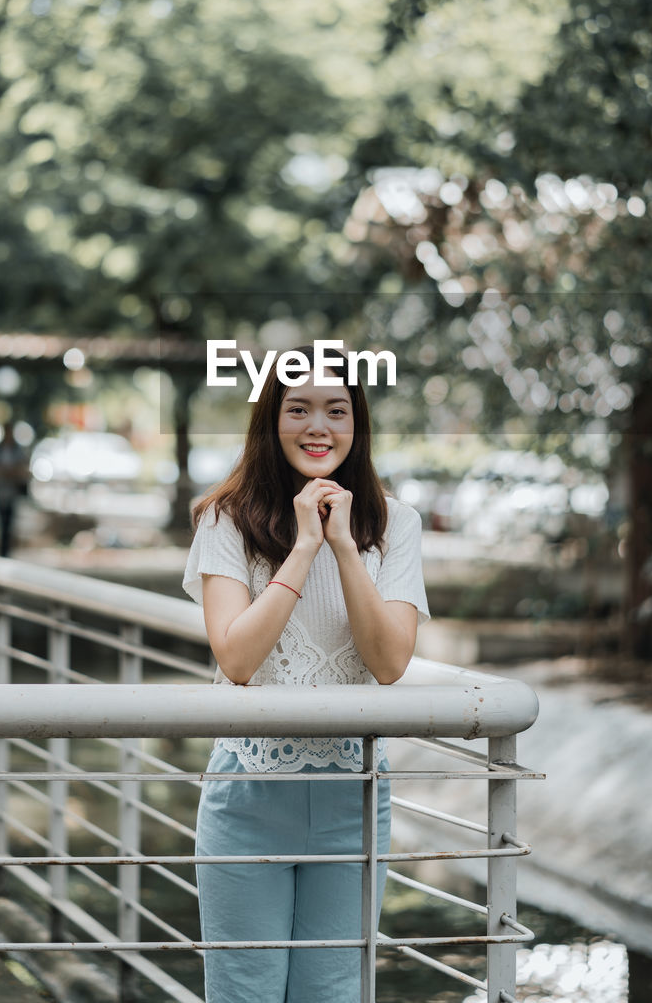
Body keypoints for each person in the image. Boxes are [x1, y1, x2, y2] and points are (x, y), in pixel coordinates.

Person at [182, 345, 429, 1003]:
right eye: (298, 409)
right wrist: (305, 544)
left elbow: (389, 662)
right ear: (271, 419)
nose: (318, 426)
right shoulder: (225, 520)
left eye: (336, 410)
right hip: (248, 798)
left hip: (354, 799)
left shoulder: (395, 523)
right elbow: (237, 658)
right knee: (245, 993)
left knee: (335, 995)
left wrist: (344, 544)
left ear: (358, 423)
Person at [0, 421, 30, 557]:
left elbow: (21, 468)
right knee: (1, 520)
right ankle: (2, 549)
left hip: (11, 492)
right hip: (1, 491)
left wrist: (7, 472)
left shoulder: (16, 450)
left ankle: (7, 550)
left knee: (10, 521)